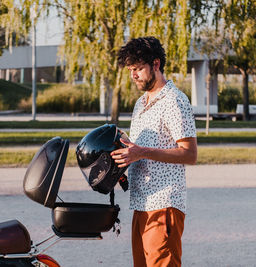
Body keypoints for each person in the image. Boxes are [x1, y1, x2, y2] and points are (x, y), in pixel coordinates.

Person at [110, 36, 197, 267]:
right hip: (140, 205)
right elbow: (138, 151)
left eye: (138, 69)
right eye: (131, 70)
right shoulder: (141, 103)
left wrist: (142, 152)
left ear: (156, 64)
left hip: (164, 204)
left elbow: (190, 153)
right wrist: (121, 160)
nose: (134, 75)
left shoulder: (175, 101)